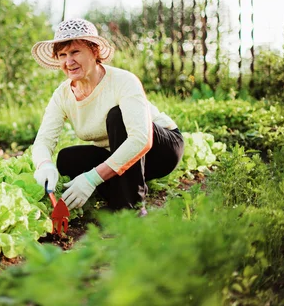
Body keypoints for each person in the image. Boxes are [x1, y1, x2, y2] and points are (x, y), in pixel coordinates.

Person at [30, 18, 184, 212]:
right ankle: (121, 190)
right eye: (62, 55)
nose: (69, 61)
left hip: (160, 150)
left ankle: (131, 209)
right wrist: (44, 165)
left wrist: (91, 178)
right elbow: (43, 140)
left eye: (75, 52)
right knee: (66, 159)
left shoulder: (123, 81)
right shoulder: (62, 94)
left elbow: (141, 139)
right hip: (118, 152)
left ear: (94, 51)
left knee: (117, 116)